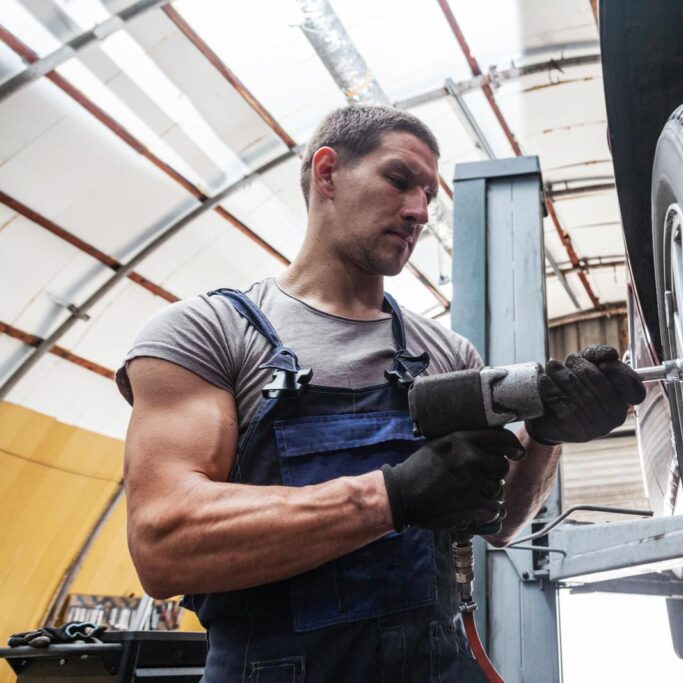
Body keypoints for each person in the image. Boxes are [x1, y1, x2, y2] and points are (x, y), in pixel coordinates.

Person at [118, 105, 646, 682]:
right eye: (399, 180)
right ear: (327, 174)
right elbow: (163, 542)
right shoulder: (210, 331)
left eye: (428, 196)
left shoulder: (446, 356)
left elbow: (495, 525)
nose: (419, 211)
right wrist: (390, 496)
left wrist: (546, 435)